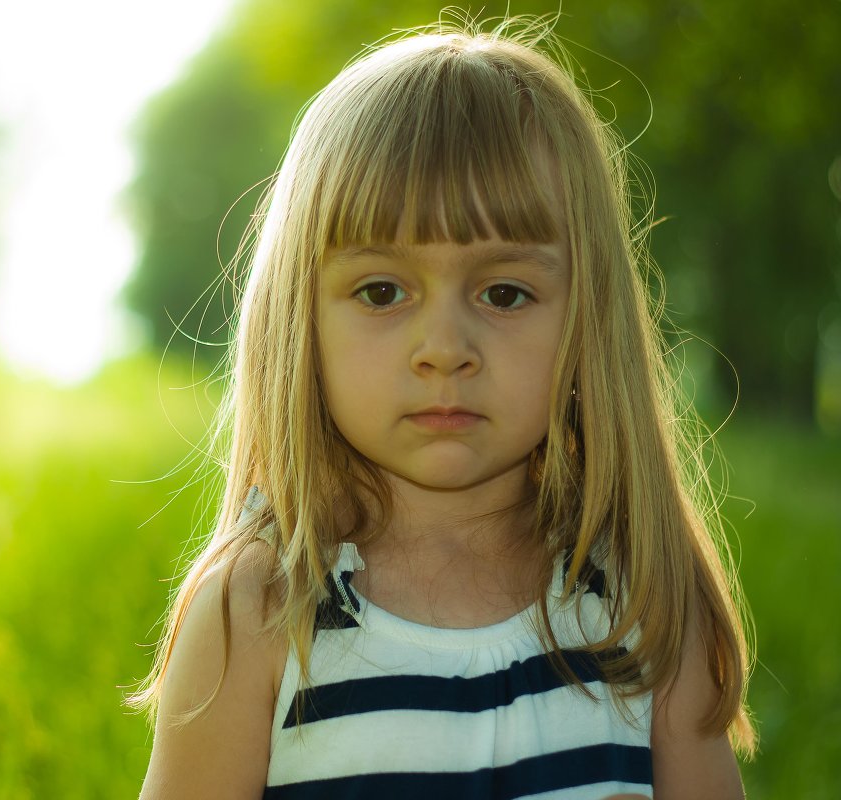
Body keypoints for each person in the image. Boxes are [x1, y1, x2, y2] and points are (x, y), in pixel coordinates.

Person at [132, 14, 755, 800]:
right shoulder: (254, 615)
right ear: (300, 319)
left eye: (504, 292)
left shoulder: (645, 603)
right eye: (382, 291)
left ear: (586, 322)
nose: (444, 348)